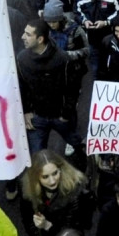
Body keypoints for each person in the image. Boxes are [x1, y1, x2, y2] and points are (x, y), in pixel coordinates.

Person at [17, 19, 85, 154]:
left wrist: (66, 114)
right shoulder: (22, 59)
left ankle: (84, 160)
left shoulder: (63, 59)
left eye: (28, 34)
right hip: (37, 117)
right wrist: (26, 111)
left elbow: (73, 89)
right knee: (37, 156)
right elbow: (22, 86)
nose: (22, 37)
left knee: (76, 143)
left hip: (60, 116)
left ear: (40, 39)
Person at [19, 149, 94, 236]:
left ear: (60, 169)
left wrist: (47, 225)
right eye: (45, 177)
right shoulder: (28, 190)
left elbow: (72, 229)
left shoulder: (74, 190)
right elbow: (27, 219)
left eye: (55, 173)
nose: (52, 181)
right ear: (36, 177)